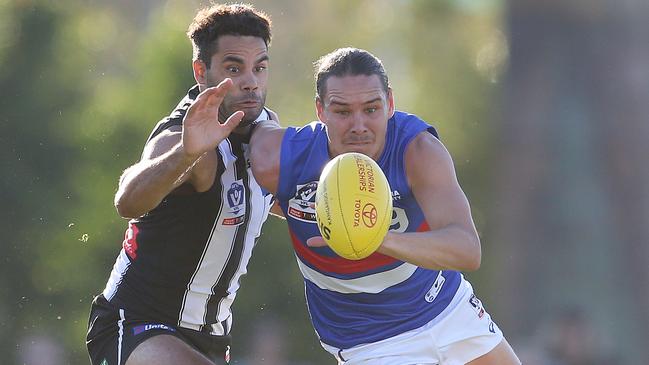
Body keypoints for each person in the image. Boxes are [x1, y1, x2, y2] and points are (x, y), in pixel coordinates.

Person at [250, 47, 521, 364]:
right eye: (342, 112)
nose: (359, 125)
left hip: (449, 310)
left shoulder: (417, 149)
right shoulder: (282, 160)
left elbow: (466, 249)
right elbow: (242, 172)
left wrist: (375, 238)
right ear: (320, 110)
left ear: (390, 103)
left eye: (371, 108)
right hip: (369, 342)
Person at [86, 4, 276, 365]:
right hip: (140, 324)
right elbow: (127, 200)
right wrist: (185, 154)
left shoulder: (264, 129)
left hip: (212, 339)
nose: (251, 81)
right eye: (234, 68)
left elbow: (266, 199)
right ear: (201, 71)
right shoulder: (185, 140)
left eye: (260, 67)